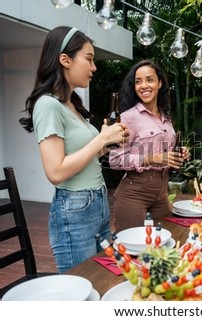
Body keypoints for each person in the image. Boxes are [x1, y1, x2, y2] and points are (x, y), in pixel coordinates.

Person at [18, 26, 128, 273]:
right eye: (89, 59)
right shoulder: (47, 105)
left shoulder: (70, 105)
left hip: (96, 202)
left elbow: (83, 158)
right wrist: (99, 141)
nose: (94, 67)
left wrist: (106, 142)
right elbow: (56, 171)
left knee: (103, 278)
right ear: (65, 60)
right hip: (75, 207)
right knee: (83, 286)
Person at [109, 60, 190, 232]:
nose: (143, 86)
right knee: (132, 252)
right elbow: (115, 160)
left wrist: (180, 153)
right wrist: (153, 158)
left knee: (166, 243)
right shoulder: (127, 117)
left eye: (149, 80)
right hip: (134, 194)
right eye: (138, 82)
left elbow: (166, 151)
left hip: (161, 194)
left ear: (160, 83)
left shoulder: (165, 117)